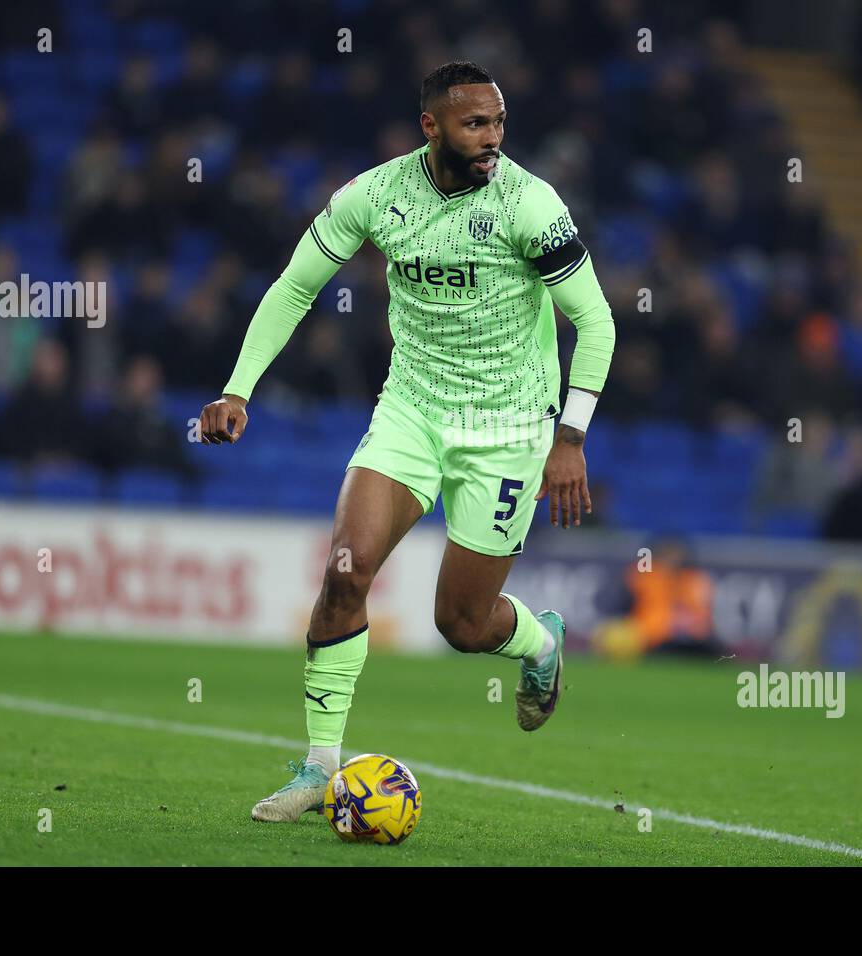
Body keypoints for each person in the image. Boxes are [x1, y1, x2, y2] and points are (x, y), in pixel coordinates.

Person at [196, 61, 616, 822]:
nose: (492, 139)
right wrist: (238, 387)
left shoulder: (530, 204)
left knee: (460, 625)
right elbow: (296, 285)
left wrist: (571, 437)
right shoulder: (376, 194)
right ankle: (320, 768)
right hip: (412, 413)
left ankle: (540, 644)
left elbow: (597, 321)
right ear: (431, 126)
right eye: (474, 125)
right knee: (344, 574)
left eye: (498, 123)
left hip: (509, 429)